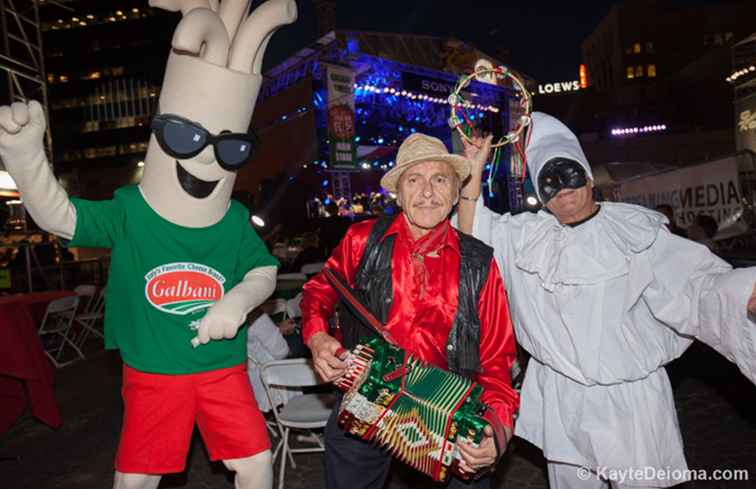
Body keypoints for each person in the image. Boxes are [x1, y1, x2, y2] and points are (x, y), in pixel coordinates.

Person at [0, 2, 297, 489]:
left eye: (231, 148)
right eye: (184, 136)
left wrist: (238, 301)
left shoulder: (235, 218)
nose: (206, 159)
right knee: (136, 476)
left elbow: (262, 271)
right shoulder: (130, 211)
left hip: (224, 369)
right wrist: (25, 159)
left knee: (257, 463)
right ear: (160, 135)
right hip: (154, 373)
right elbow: (60, 216)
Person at [457, 112, 756, 489]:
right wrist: (471, 172)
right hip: (563, 399)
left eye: (568, 173)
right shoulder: (526, 237)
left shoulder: (636, 232)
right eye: (548, 180)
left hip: (631, 402)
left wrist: (743, 293)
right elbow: (473, 232)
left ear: (587, 175)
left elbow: (697, 284)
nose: (561, 188)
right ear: (540, 193)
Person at [301, 132, 519, 489]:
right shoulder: (362, 240)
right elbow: (318, 291)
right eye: (414, 180)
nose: (428, 192)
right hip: (366, 396)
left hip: (449, 413)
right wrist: (317, 335)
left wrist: (497, 427)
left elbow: (495, 358)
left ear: (454, 193)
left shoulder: (480, 262)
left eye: (440, 179)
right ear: (398, 194)